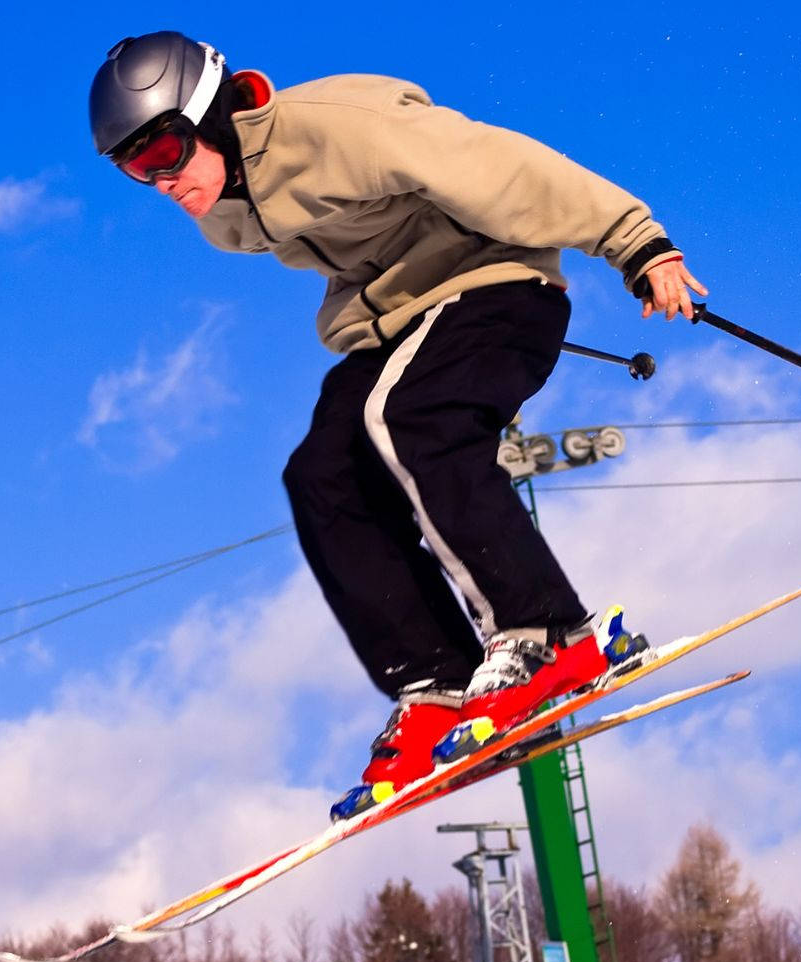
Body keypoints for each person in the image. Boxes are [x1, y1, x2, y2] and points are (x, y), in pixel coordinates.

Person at [88, 32, 707, 819]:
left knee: (411, 416)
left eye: (168, 149)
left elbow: (496, 165)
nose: (163, 179)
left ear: (212, 114)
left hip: (498, 289)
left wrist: (634, 241)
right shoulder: (226, 213)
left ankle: (551, 637)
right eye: (137, 168)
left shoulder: (337, 127)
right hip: (402, 328)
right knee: (323, 477)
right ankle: (438, 683)